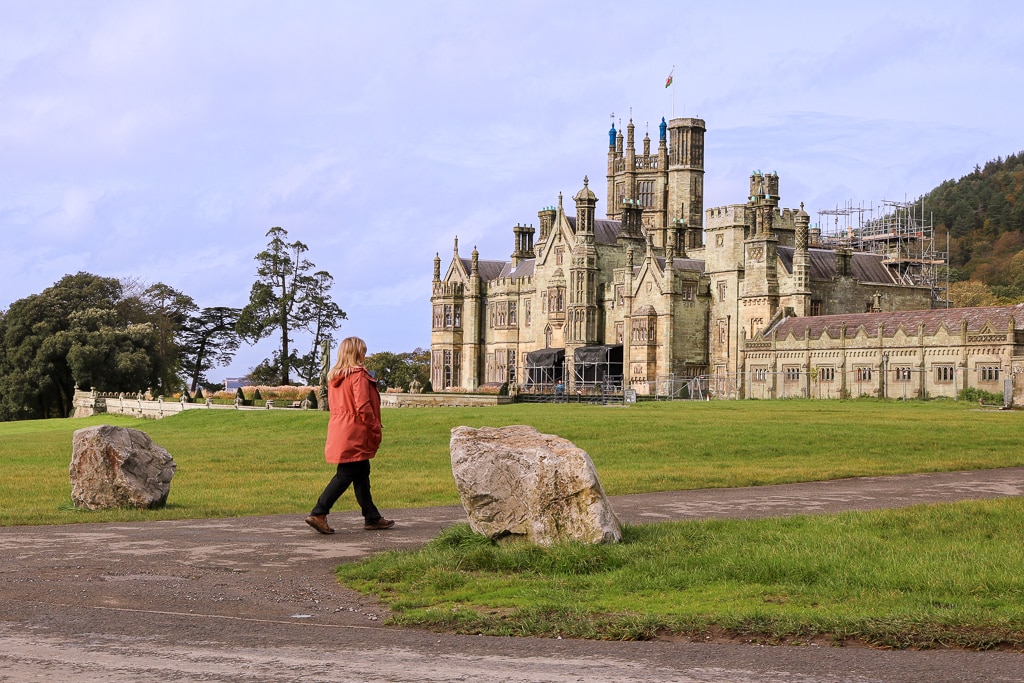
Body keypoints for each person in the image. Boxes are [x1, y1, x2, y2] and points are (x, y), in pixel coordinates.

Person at [305, 336, 395, 534]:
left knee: (361, 473)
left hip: (340, 429)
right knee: (345, 475)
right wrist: (375, 428)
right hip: (356, 430)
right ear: (357, 352)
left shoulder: (335, 378)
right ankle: (319, 512)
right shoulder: (358, 376)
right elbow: (363, 405)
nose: (365, 354)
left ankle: (372, 517)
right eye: (363, 350)